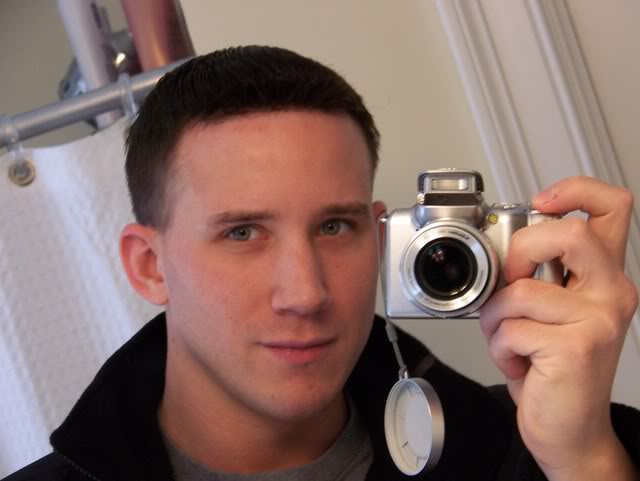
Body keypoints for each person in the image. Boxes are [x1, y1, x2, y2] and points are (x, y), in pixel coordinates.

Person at [5, 46, 640, 481]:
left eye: (335, 227)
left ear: (381, 236)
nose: (305, 293)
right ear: (150, 266)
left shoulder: (545, 448)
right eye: (243, 233)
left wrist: (583, 460)